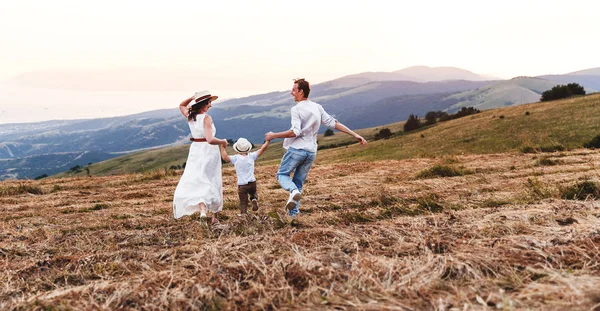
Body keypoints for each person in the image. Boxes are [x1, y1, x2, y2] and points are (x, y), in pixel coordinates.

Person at [265, 78, 367, 219]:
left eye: (294, 90)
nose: (291, 93)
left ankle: (293, 191)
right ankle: (293, 215)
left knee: (281, 175)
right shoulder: (317, 107)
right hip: (311, 152)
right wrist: (355, 134)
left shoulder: (296, 109)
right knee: (299, 182)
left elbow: (295, 132)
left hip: (297, 149)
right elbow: (334, 123)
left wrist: (273, 135)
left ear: (301, 91)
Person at [173, 90, 228, 221]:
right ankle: (215, 215)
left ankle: (203, 210)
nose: (211, 105)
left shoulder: (190, 116)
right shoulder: (206, 118)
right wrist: (223, 141)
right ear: (204, 104)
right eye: (209, 102)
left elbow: (181, 105)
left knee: (198, 179)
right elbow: (210, 139)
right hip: (209, 151)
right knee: (212, 179)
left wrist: (193, 97)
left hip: (195, 150)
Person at [220, 137, 271, 216]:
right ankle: (254, 199)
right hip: (252, 182)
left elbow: (225, 158)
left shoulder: (236, 158)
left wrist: (222, 147)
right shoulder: (252, 156)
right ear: (248, 148)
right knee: (253, 192)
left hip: (242, 184)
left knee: (243, 201)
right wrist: (268, 140)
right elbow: (262, 149)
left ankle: (244, 214)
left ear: (237, 149)